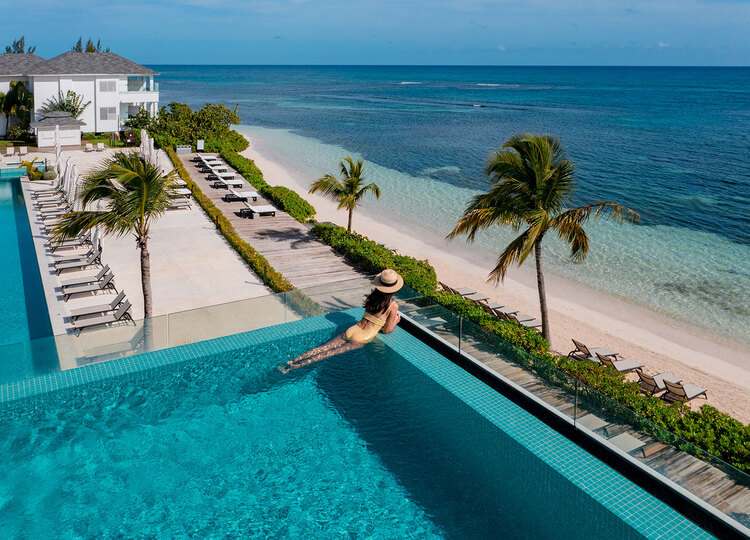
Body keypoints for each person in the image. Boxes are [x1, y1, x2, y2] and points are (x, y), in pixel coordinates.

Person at [279, 269, 403, 373]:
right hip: (362, 338)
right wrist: (395, 320)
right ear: (393, 289)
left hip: (353, 330)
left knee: (322, 348)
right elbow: (387, 330)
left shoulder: (372, 297)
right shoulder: (393, 306)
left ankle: (292, 361)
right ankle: (295, 367)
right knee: (329, 354)